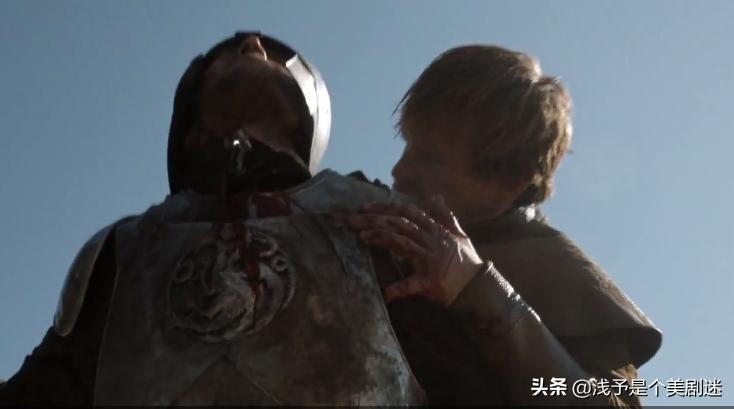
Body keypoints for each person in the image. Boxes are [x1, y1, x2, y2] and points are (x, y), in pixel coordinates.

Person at [0, 32, 426, 406]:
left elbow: (463, 375)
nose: (252, 45)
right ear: (190, 127)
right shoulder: (123, 252)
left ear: (305, 110)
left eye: (271, 56)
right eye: (231, 53)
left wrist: (466, 289)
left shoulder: (374, 216)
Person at [348, 45, 662, 406]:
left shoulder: (565, 279)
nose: (400, 171)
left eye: (430, 160)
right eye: (409, 147)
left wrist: (475, 287)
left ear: (509, 184)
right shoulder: (373, 222)